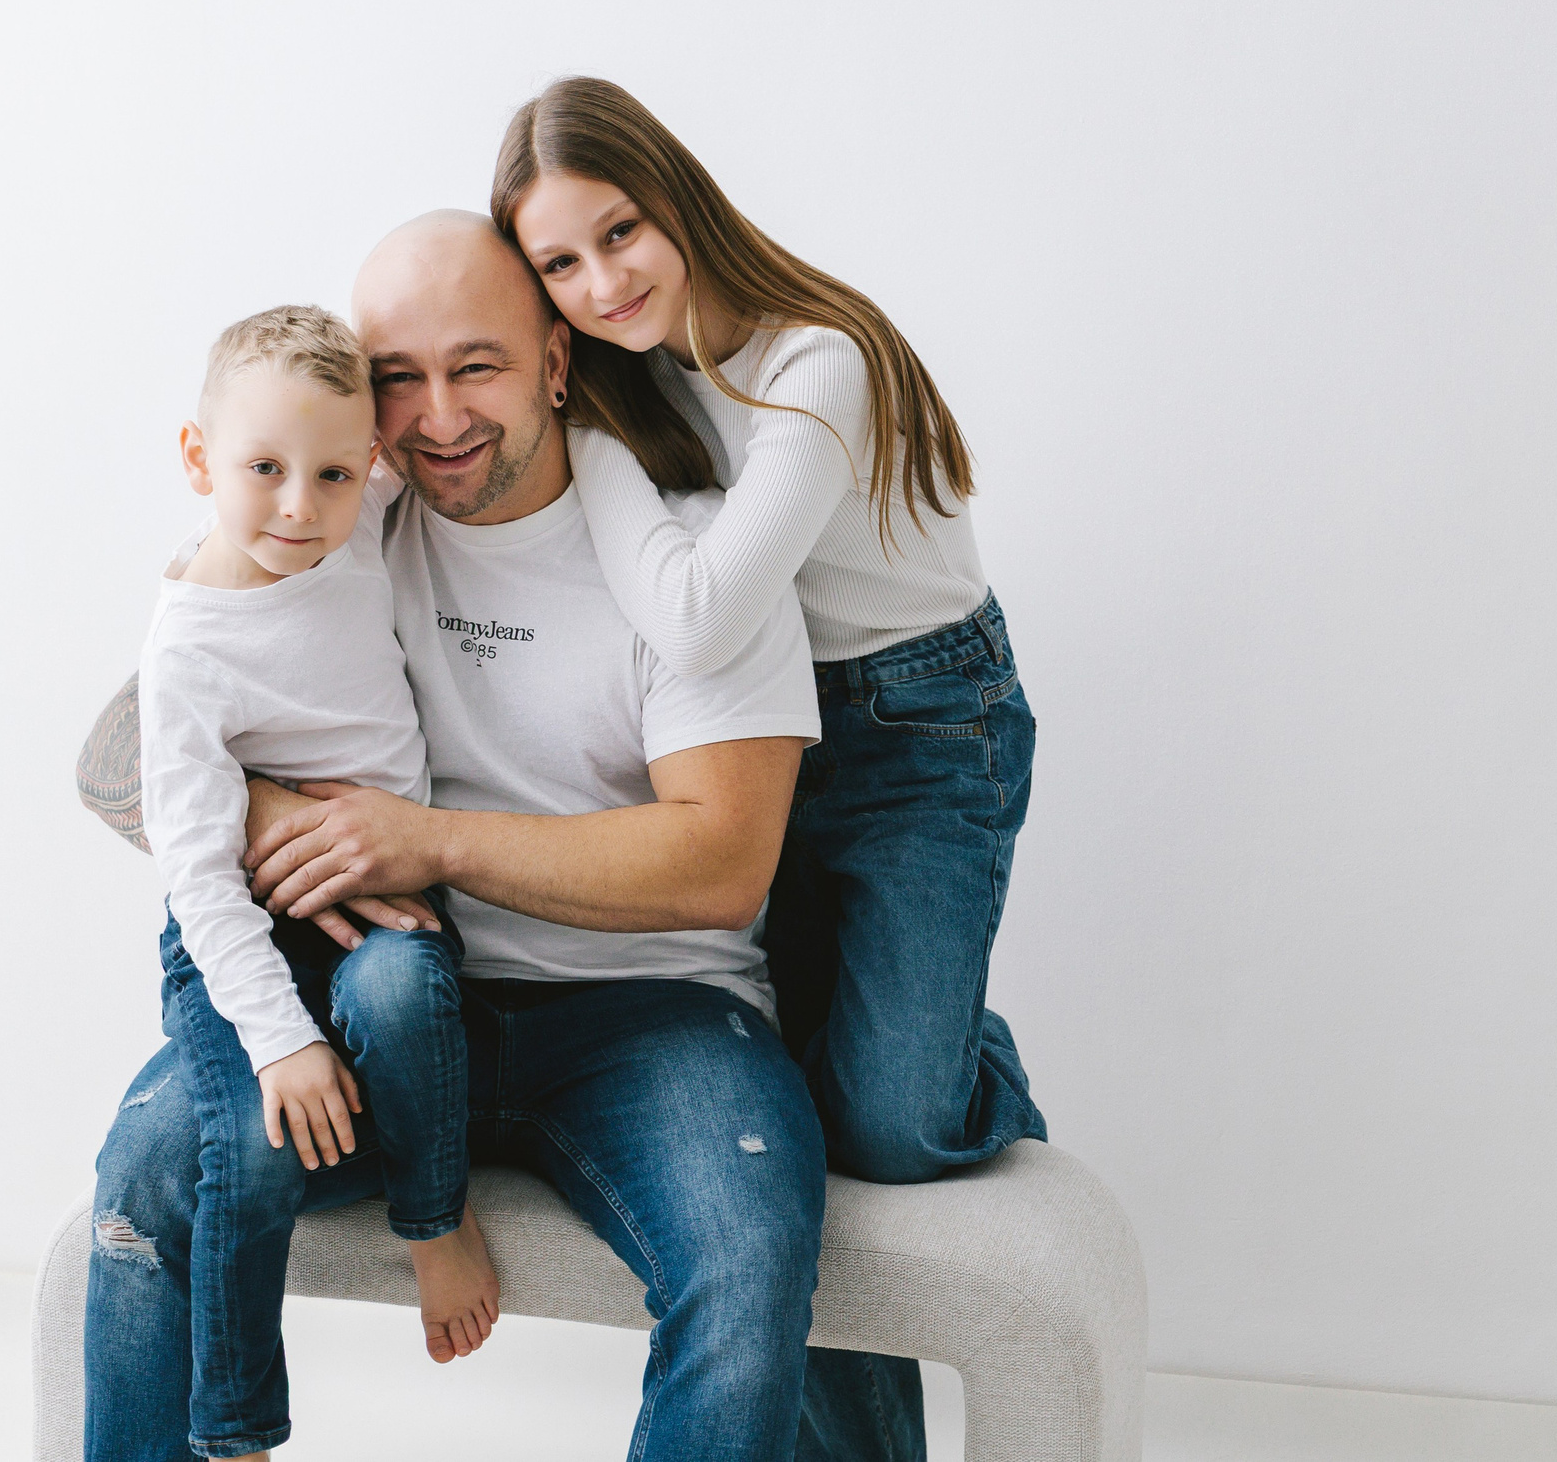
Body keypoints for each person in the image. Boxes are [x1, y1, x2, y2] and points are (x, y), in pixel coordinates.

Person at [83, 212, 828, 1462]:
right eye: (398, 378)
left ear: (554, 361)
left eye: (475, 366)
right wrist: (280, 817)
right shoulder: (333, 506)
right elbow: (115, 759)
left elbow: (721, 866)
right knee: (148, 1175)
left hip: (652, 1015)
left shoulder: (693, 562)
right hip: (372, 994)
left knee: (747, 1250)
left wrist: (426, 842)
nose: (436, 417)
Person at [491, 76, 1047, 1458]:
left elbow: (692, 615)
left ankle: (959, 1052)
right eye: (559, 264)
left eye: (620, 232)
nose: (602, 283)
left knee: (890, 1125)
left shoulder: (818, 358)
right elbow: (697, 612)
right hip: (770, 734)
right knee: (794, 1135)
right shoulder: (627, 380)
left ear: (675, 197)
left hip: (926, 728)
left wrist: (599, 454)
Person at [136, 305, 499, 1461]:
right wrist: (281, 1041)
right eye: (263, 470)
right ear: (198, 458)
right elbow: (197, 874)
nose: (299, 506)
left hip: (381, 897)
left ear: (370, 465)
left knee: (401, 992)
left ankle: (433, 1222)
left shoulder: (359, 521)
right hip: (238, 924)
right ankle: (235, 1431)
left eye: (333, 474)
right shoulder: (187, 649)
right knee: (250, 1147)